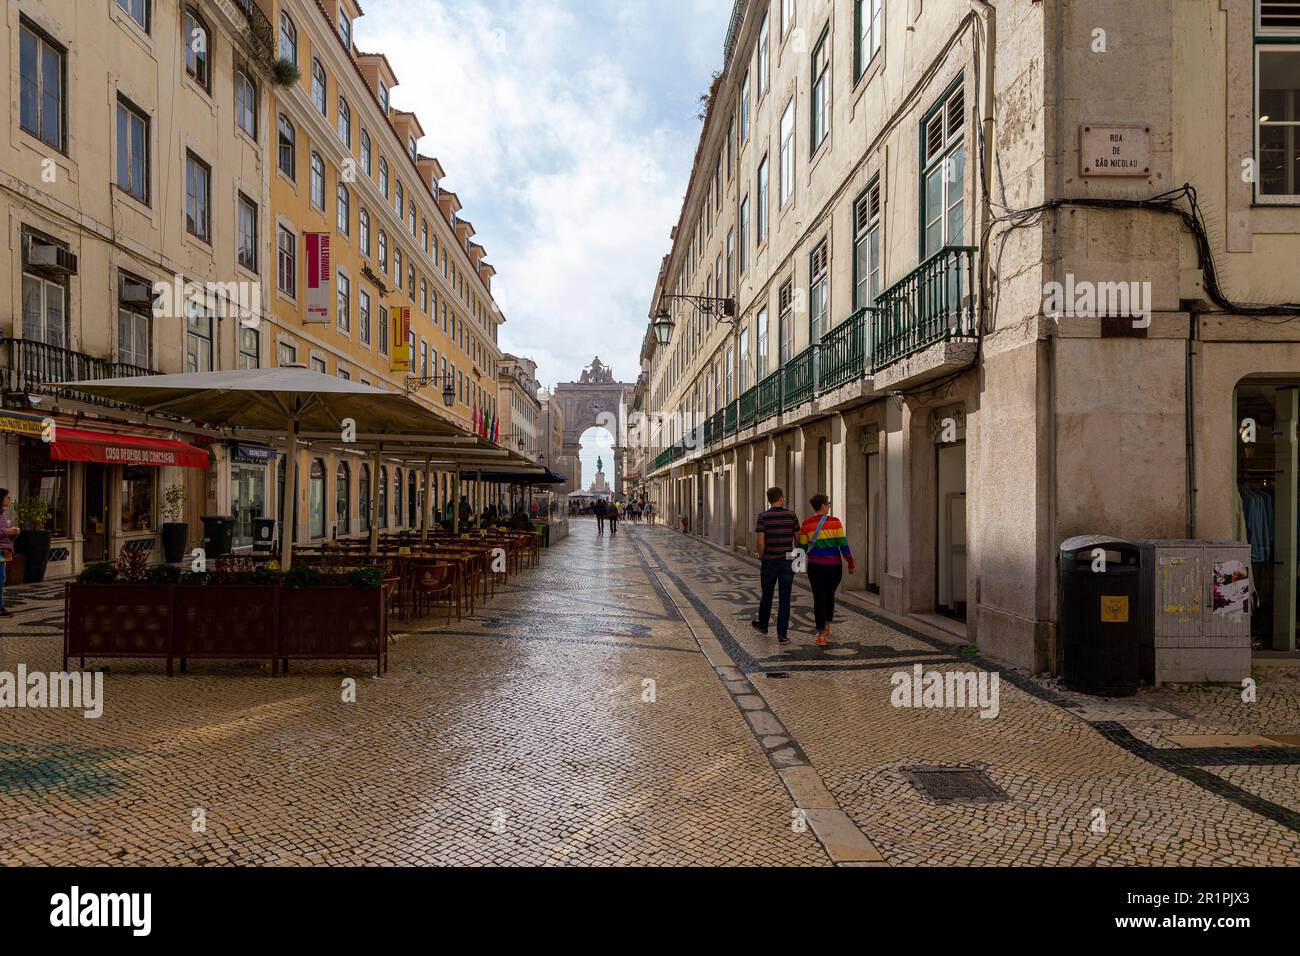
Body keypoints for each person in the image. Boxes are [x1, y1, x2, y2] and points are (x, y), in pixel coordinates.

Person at [801, 494, 856, 648]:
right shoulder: (835, 522)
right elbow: (843, 545)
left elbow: (803, 547)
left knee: (819, 597)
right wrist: (850, 562)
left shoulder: (806, 524)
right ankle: (825, 624)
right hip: (834, 567)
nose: (829, 506)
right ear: (824, 506)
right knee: (829, 594)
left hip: (815, 567)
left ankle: (820, 633)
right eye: (828, 503)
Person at [752, 487, 800, 645]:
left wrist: (761, 555)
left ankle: (764, 625)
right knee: (785, 598)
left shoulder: (763, 517)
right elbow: (798, 539)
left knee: (767, 594)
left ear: (769, 499)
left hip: (770, 561)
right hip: (787, 560)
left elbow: (760, 541)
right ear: (781, 497)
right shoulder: (791, 515)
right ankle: (782, 635)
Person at [0, 489, 19, 618]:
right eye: (7, 497)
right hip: (0, 549)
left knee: (2, 578)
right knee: (0, 579)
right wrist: (8, 531)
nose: (9, 499)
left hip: (6, 549)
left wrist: (13, 533)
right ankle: (0, 607)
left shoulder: (2, 515)